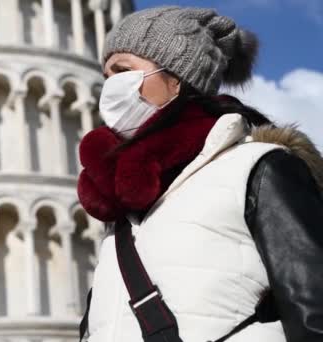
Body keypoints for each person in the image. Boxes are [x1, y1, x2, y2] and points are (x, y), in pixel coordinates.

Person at [77, 6, 323, 342]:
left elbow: (315, 316)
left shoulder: (259, 168)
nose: (110, 88)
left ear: (176, 79)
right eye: (106, 78)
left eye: (122, 71)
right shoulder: (127, 212)